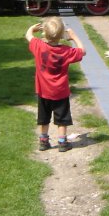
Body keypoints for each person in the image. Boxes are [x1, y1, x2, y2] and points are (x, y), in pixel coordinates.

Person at [25, 17, 86, 152]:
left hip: (43, 91)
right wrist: (74, 37)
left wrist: (32, 29)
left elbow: (28, 35)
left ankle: (43, 141)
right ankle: (62, 143)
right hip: (60, 91)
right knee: (62, 118)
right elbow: (83, 51)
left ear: (44, 33)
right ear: (62, 35)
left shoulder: (38, 46)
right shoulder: (66, 51)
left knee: (43, 117)